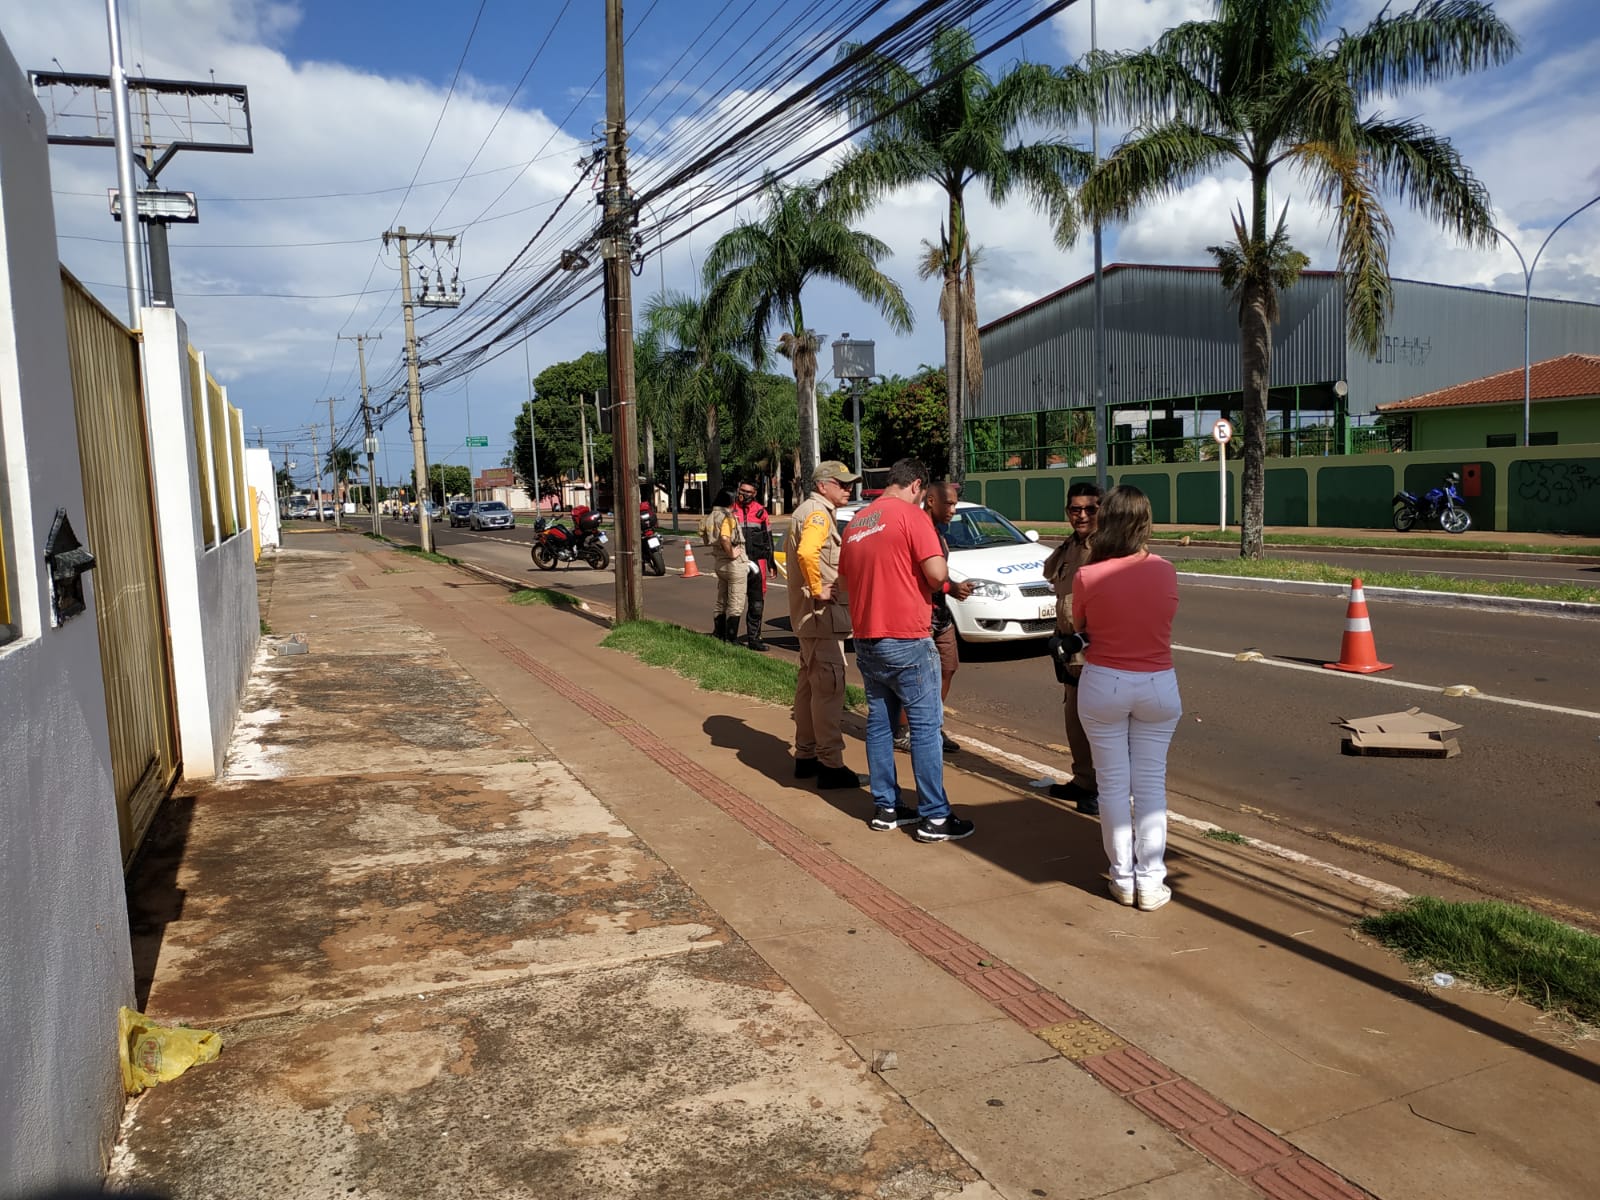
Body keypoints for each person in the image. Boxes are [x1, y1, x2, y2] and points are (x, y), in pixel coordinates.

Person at [839, 458, 974, 843]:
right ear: (918, 486)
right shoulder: (912, 518)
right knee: (926, 728)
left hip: (867, 638)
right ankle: (935, 815)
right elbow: (935, 574)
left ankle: (887, 807)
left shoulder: (858, 522)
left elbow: (845, 588)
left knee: (880, 725)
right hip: (907, 637)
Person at [1071, 485, 1181, 911]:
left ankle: (1122, 878)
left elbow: (1080, 624)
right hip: (1158, 684)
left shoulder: (1087, 575)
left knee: (1113, 785)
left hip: (1104, 683)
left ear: (1106, 521)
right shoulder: (1166, 570)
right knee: (1151, 786)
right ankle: (1152, 883)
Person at [788, 462, 862, 789]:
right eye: (841, 484)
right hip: (822, 619)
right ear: (822, 486)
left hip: (810, 619)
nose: (848, 489)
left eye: (850, 484)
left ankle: (806, 756)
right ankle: (831, 764)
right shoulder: (818, 514)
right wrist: (818, 588)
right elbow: (807, 552)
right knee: (829, 690)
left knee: (809, 687)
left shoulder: (807, 511)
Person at [894, 482, 971, 754]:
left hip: (941, 615)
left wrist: (953, 586)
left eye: (954, 503)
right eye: (948, 503)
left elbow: (939, 574)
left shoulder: (938, 533)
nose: (953, 509)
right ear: (930, 501)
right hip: (919, 615)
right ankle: (905, 731)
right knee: (917, 676)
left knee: (947, 668)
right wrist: (951, 586)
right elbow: (924, 577)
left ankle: (932, 726)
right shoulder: (917, 529)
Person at [1041, 481, 1103, 815]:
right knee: (1074, 718)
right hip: (1068, 646)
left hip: (1095, 647)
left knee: (1096, 723)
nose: (1082, 515)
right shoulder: (1069, 547)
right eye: (1075, 509)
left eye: (1090, 509)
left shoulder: (1106, 547)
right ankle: (1083, 780)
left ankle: (1101, 790)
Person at [732, 480, 777, 651]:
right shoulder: (730, 510)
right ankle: (730, 637)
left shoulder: (761, 512)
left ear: (755, 493)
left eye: (748, 492)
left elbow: (768, 540)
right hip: (736, 563)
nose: (744, 494)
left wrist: (771, 563)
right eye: (742, 490)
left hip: (758, 562)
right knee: (734, 601)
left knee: (757, 603)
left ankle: (754, 639)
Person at [705, 488, 747, 643]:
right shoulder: (727, 517)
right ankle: (731, 638)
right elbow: (724, 537)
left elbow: (705, 536)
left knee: (721, 599)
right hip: (733, 564)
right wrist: (732, 553)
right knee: (736, 602)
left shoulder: (711, 516)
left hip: (719, 562)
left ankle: (718, 633)